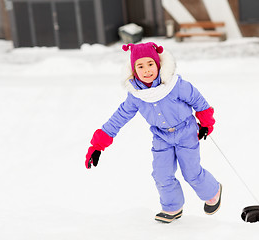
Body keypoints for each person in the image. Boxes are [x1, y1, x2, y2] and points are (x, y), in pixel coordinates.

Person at [85, 42, 222, 223]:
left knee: (191, 172)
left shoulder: (175, 85)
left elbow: (198, 100)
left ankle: (213, 192)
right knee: (161, 174)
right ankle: (172, 207)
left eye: (150, 64)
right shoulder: (136, 96)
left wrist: (205, 122)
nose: (146, 70)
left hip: (185, 132)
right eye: (140, 66)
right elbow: (119, 117)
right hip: (161, 136)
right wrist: (98, 145)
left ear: (158, 65)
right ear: (134, 71)